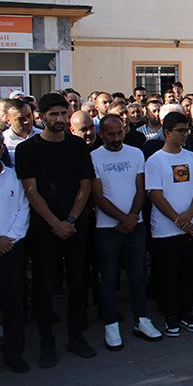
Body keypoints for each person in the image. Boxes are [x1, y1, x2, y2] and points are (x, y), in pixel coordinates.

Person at [16, 93, 96, 368]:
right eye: (54, 114)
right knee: (43, 287)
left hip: (76, 227)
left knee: (77, 283)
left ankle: (76, 336)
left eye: (64, 113)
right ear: (40, 116)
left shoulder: (77, 146)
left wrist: (71, 220)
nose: (60, 119)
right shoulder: (27, 150)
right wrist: (54, 222)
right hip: (43, 228)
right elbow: (31, 190)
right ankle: (46, 342)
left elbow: (85, 185)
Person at [91, 114, 162, 351]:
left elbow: (141, 189)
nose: (116, 138)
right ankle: (111, 324)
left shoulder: (135, 153)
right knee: (109, 278)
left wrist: (131, 218)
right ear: (101, 135)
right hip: (107, 228)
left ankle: (141, 319)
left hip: (135, 225)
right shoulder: (93, 157)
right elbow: (98, 196)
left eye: (119, 132)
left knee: (138, 274)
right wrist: (123, 219)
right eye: (110, 134)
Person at [145, 111, 193, 337]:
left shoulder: (192, 158)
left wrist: (189, 214)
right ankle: (170, 315)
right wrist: (177, 220)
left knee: (189, 273)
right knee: (167, 274)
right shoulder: (155, 160)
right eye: (180, 131)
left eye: (187, 130)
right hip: (166, 230)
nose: (185, 135)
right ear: (167, 132)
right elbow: (155, 194)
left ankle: (185, 312)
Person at [0, 142, 30, 373]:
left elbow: (23, 209)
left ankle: (14, 353)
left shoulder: (13, 177)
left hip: (11, 248)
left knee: (13, 304)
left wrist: (9, 238)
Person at [3, 98, 42, 167]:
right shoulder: (4, 141)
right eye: (20, 118)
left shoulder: (42, 135)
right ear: (8, 120)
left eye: (28, 116)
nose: (27, 121)